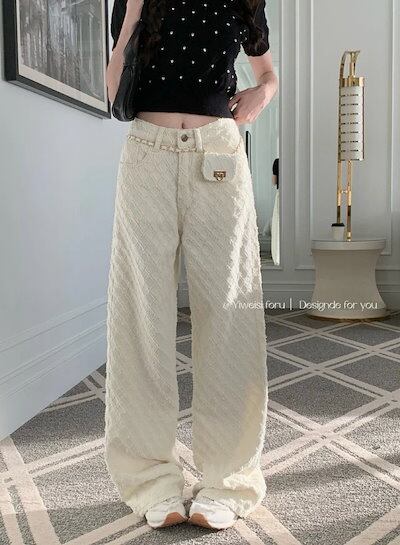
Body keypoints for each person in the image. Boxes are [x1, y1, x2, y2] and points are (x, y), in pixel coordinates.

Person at [104, 0, 278, 531]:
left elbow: (267, 74)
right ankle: (151, 480)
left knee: (229, 317)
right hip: (147, 155)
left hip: (218, 156)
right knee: (141, 319)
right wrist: (133, 13)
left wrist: (263, 92)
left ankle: (228, 481)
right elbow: (112, 91)